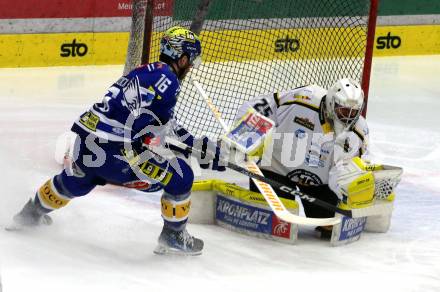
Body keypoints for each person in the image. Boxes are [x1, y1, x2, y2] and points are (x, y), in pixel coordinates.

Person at [9, 26, 225, 255]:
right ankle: (173, 235)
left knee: (78, 180)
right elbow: (166, 129)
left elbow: (137, 120)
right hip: (115, 155)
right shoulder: (169, 81)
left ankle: (29, 214)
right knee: (182, 175)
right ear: (181, 59)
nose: (191, 66)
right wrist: (199, 146)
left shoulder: (142, 71)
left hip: (86, 142)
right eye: (190, 60)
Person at [235, 78, 369, 238]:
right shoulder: (303, 99)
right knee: (273, 225)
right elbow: (257, 107)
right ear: (332, 103)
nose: (348, 117)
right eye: (344, 111)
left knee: (331, 225)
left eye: (353, 112)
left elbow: (341, 172)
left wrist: (345, 187)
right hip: (275, 170)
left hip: (318, 184)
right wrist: (243, 135)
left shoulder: (359, 132)